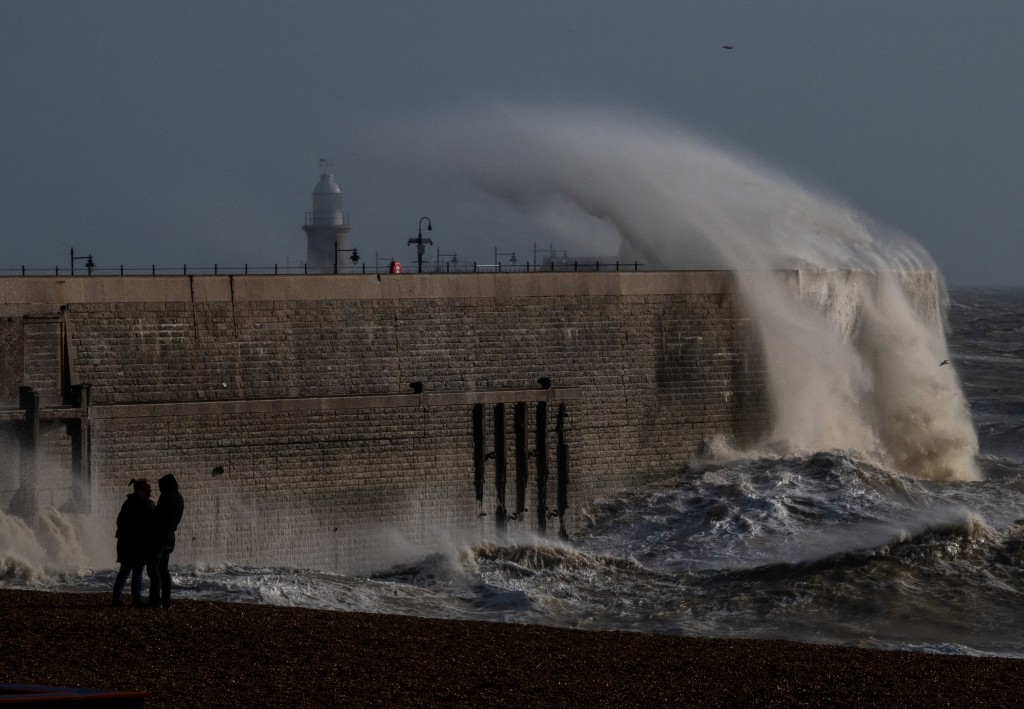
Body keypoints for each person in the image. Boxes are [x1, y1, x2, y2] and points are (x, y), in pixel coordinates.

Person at [112, 479, 154, 607]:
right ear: (140, 490)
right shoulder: (140, 504)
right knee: (130, 572)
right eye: (148, 489)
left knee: (133, 572)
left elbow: (120, 522)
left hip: (134, 544)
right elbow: (121, 522)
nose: (150, 491)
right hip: (131, 544)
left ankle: (126, 599)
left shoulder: (135, 503)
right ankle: (127, 599)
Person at [146, 473, 184, 609]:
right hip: (170, 537)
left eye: (161, 486)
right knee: (164, 570)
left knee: (154, 570)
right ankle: (166, 601)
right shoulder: (179, 498)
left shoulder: (166, 497)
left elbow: (157, 517)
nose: (160, 489)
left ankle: (155, 601)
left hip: (159, 537)